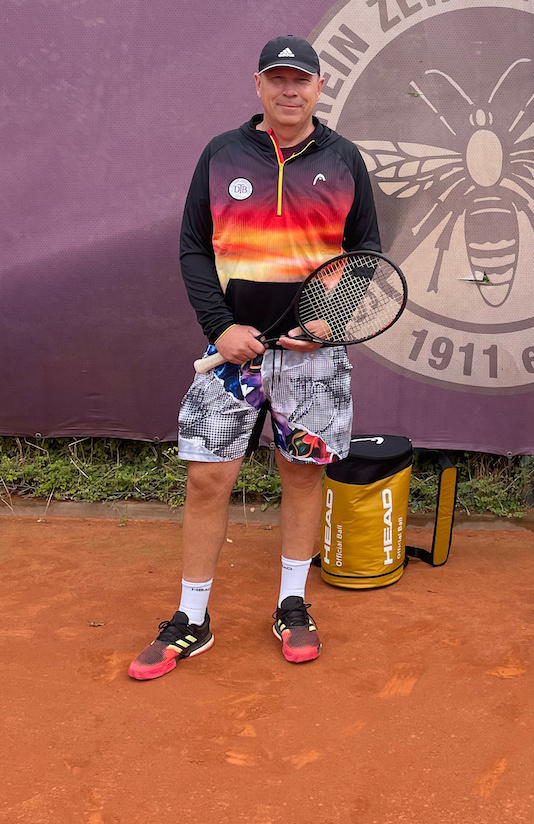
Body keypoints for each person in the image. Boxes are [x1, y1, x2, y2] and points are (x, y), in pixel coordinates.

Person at [129, 35, 380, 681]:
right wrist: (221, 328)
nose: (289, 90)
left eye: (301, 80)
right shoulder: (221, 154)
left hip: (313, 359)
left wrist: (331, 321)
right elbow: (192, 246)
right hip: (232, 355)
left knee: (301, 475)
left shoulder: (345, 159)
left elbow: (365, 253)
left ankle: (292, 604)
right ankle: (192, 617)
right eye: (278, 79)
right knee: (208, 479)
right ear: (259, 85)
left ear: (319, 87)